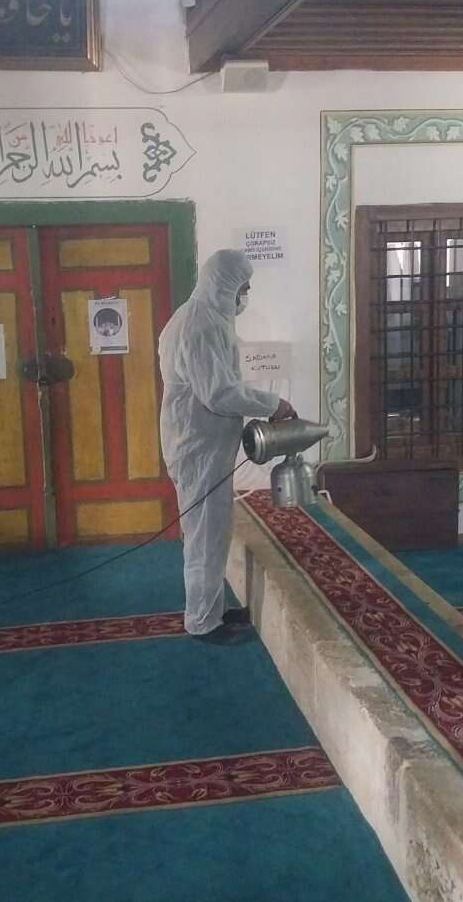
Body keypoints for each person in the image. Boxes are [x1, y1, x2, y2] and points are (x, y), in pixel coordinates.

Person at [158, 249, 296, 641]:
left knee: (212, 531)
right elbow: (219, 394)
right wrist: (273, 404)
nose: (245, 296)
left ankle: (212, 610)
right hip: (197, 447)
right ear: (223, 285)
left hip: (204, 445)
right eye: (242, 288)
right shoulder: (199, 326)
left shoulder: (204, 318)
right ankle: (202, 623)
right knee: (205, 535)